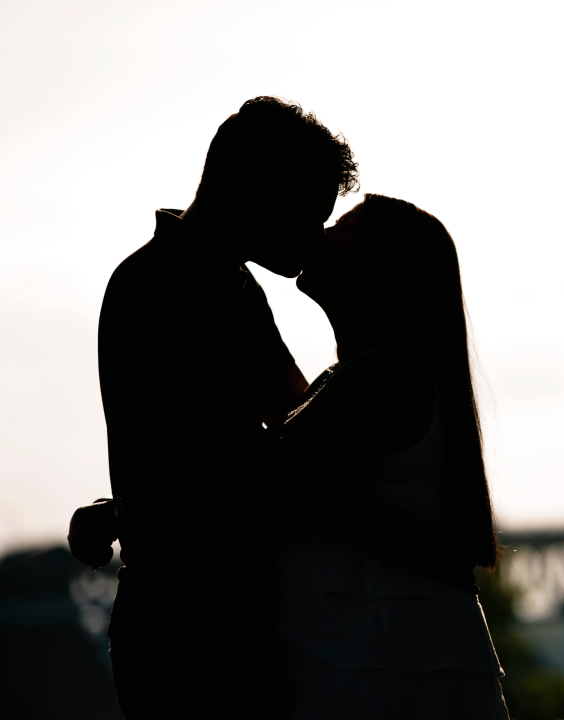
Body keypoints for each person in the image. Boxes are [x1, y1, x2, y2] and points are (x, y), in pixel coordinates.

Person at [68, 96, 359, 719]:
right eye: (311, 213)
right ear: (258, 191)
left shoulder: (222, 285)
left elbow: (295, 424)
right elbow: (252, 461)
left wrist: (126, 507)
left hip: (219, 613)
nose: (316, 238)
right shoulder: (161, 289)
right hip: (187, 629)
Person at [266, 194, 510, 719]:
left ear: (381, 269)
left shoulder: (384, 380)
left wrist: (123, 510)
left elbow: (259, 480)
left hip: (381, 663)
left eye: (344, 228)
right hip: (390, 658)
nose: (322, 231)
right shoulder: (376, 377)